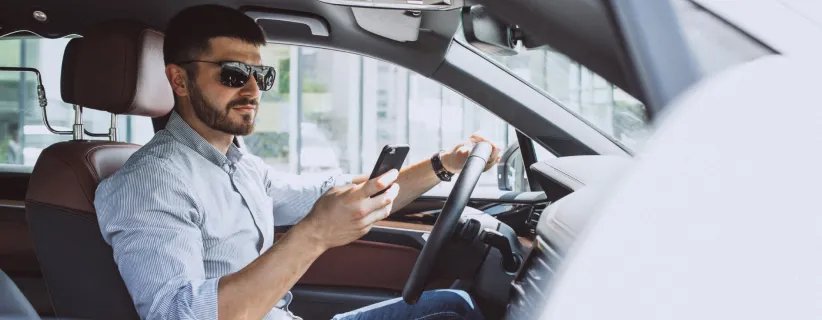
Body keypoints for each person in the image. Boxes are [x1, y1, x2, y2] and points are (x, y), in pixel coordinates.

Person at [94, 5, 500, 320]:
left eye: (262, 76)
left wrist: (444, 165)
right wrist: (314, 235)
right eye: (234, 74)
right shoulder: (151, 181)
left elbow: (330, 195)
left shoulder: (237, 164)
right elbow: (177, 315)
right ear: (179, 80)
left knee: (452, 305)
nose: (254, 90)